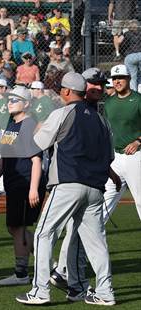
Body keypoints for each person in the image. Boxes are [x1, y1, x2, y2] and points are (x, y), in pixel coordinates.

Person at [16, 72, 116, 306]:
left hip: (68, 183)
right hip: (95, 188)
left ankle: (40, 291)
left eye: (62, 88)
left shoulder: (62, 113)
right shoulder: (102, 120)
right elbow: (109, 157)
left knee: (43, 233)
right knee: (96, 244)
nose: (60, 91)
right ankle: (102, 291)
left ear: (68, 91)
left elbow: (36, 145)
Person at [49, 68, 115, 298]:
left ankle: (72, 281)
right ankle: (67, 276)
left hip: (86, 182)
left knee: (79, 234)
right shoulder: (72, 112)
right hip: (72, 180)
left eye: (101, 84)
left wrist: (110, 174)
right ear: (80, 86)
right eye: (93, 84)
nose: (98, 88)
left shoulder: (97, 116)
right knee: (76, 234)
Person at [0, 87, 45, 286]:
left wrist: (33, 189)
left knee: (18, 227)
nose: (10, 101)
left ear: (27, 104)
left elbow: (36, 160)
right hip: (14, 183)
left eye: (15, 99)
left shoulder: (29, 125)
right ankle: (44, 256)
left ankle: (21, 274)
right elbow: (4, 157)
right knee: (14, 227)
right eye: (9, 98)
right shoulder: (12, 124)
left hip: (25, 183)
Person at [120, 20, 141, 91]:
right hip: (140, 54)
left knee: (132, 77)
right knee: (140, 75)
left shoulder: (127, 33)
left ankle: (134, 94)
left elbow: (120, 42)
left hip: (130, 56)